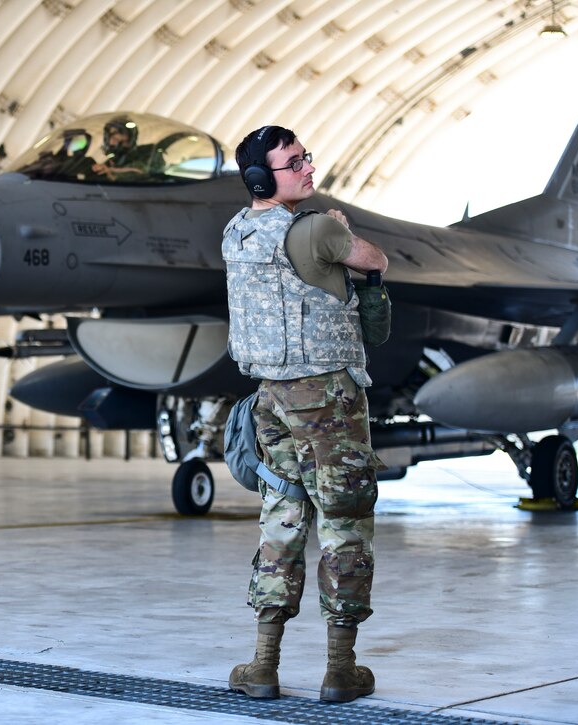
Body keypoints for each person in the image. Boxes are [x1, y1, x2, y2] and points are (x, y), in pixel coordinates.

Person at [222, 125, 388, 703]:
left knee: (283, 520)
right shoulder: (316, 227)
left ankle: (262, 666)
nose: (308, 169)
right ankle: (340, 670)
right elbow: (376, 259)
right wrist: (339, 230)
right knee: (345, 521)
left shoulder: (237, 233)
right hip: (330, 402)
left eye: (306, 158)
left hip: (273, 400)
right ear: (263, 177)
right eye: (294, 163)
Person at [90, 116, 154, 181]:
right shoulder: (110, 162)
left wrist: (111, 173)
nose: (115, 143)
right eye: (113, 138)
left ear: (130, 139)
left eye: (122, 140)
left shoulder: (144, 156)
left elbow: (140, 172)